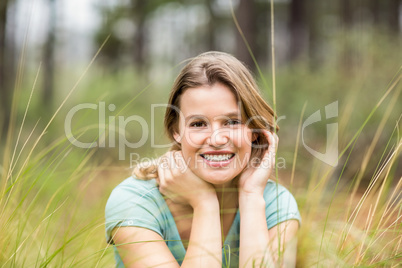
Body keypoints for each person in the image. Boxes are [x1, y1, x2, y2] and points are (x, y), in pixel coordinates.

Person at [105, 51, 301, 267]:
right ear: (175, 131)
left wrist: (251, 196)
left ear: (254, 130)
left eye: (232, 122)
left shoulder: (276, 204)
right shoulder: (135, 201)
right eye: (198, 124)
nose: (216, 139)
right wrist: (204, 203)